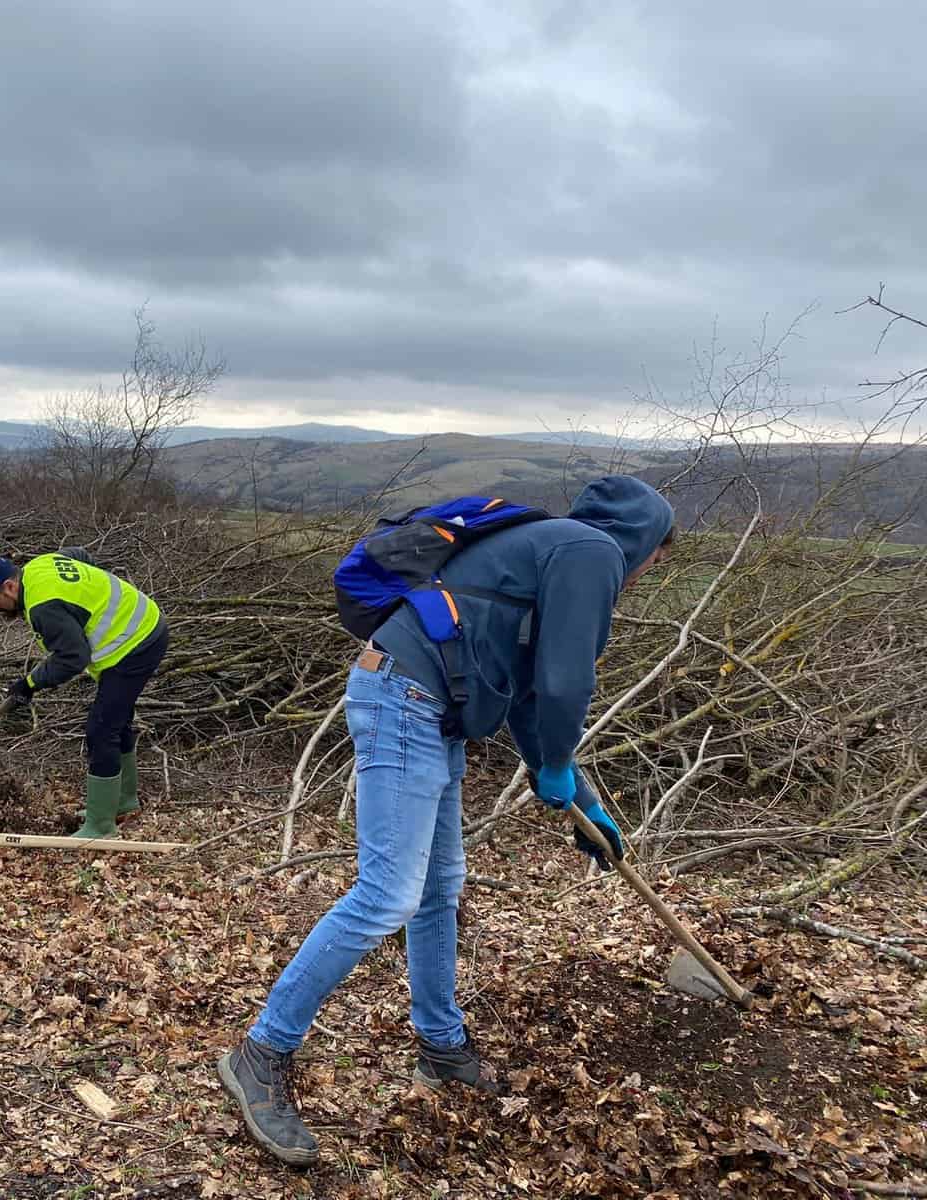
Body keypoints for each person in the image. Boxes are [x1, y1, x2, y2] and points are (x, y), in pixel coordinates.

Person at [215, 476, 675, 1167]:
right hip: (407, 698)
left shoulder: (544, 548)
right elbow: (565, 682)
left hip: (426, 707)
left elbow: (525, 689)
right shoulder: (592, 551)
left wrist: (571, 784)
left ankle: (441, 1047)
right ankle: (262, 1052)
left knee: (436, 889)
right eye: (655, 559)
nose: (647, 573)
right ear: (642, 538)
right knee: (388, 894)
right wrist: (556, 762)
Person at [0, 549, 168, 838]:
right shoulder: (38, 565)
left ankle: (100, 826)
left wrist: (30, 683)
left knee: (101, 730)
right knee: (115, 721)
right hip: (143, 626)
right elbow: (80, 555)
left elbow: (74, 658)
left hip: (136, 644)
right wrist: (91, 595)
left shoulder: (42, 606)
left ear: (10, 587)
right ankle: (124, 802)